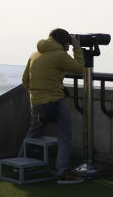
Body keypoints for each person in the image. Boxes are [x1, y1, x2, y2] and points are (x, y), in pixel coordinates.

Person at [21, 28, 85, 184]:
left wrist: (38, 93)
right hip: (54, 101)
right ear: (63, 43)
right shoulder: (60, 55)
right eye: (68, 44)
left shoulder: (35, 54)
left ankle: (20, 164)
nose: (69, 47)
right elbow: (79, 69)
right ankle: (62, 172)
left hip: (36, 101)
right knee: (64, 134)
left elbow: (25, 81)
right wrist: (77, 47)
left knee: (33, 133)